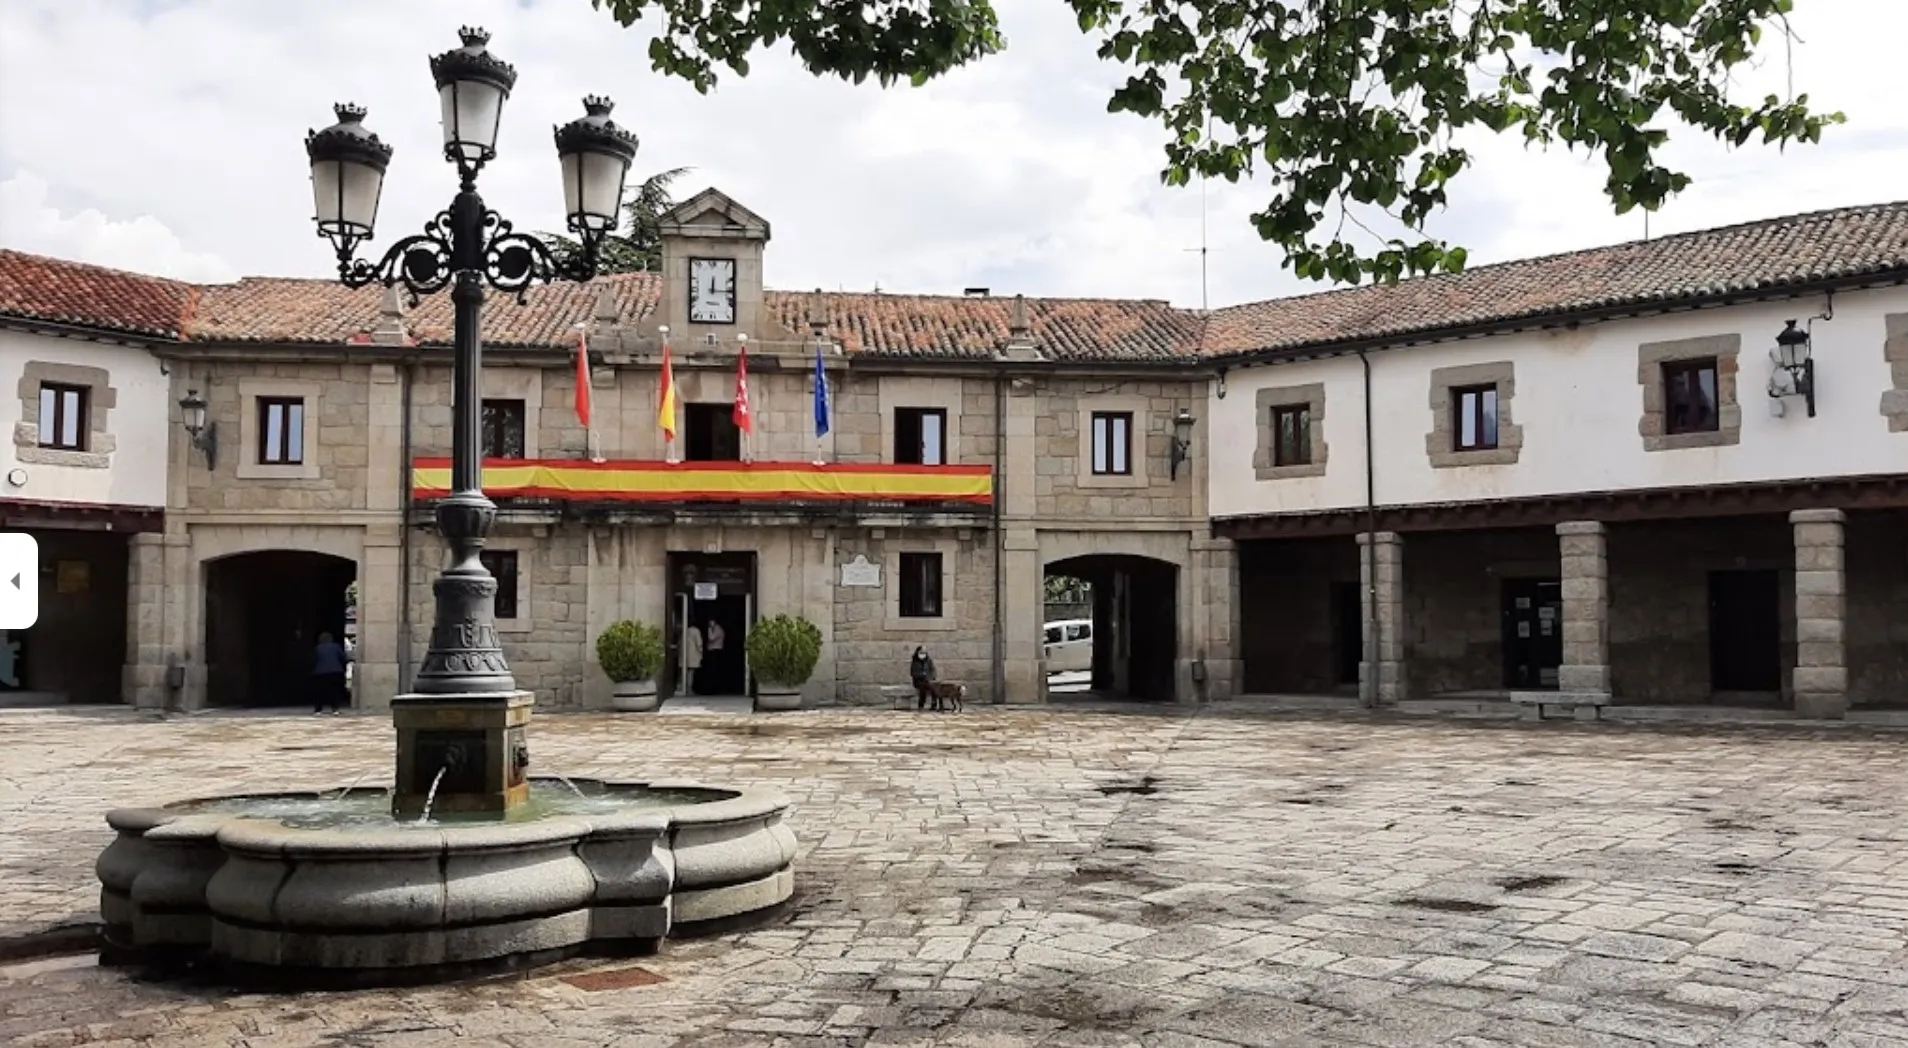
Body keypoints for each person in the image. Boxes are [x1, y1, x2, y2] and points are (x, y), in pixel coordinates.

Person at [311, 631, 350, 715]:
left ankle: (318, 710)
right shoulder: (336, 647)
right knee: (335, 691)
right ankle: (335, 709)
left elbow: (314, 660)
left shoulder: (318, 648)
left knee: (320, 692)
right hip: (335, 671)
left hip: (321, 672)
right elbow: (343, 658)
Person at [910, 646, 936, 711]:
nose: (923, 654)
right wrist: (921, 675)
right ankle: (921, 705)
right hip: (918, 681)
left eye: (924, 652)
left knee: (934, 687)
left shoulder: (929, 661)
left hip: (928, 680)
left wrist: (931, 677)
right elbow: (913, 673)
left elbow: (932, 670)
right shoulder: (915, 661)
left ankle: (934, 704)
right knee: (923, 689)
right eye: (921, 652)